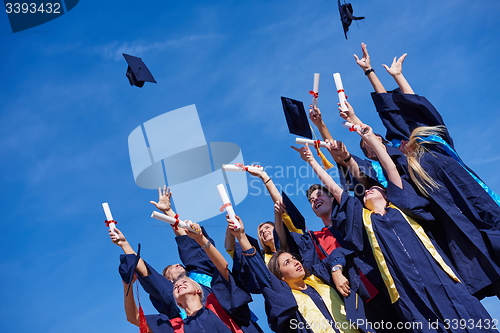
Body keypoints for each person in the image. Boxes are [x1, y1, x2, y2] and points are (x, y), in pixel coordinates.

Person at [292, 126, 498, 332]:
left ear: (386, 193)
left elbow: (390, 168)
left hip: (439, 276)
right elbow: (336, 191)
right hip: (407, 288)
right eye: (364, 193)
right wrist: (311, 161)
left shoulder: (402, 204)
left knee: (469, 320)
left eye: (375, 188)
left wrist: (370, 138)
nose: (368, 190)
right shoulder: (364, 220)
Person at [227, 215, 370, 333]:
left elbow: (338, 253)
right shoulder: (286, 299)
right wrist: (241, 236)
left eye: (294, 258)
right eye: (287, 263)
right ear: (280, 277)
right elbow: (260, 271)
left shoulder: (318, 277)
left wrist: (336, 270)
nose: (295, 262)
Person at [113, 222, 262, 333]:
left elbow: (221, 267)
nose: (180, 284)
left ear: (198, 290)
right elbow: (135, 317)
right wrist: (127, 282)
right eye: (176, 284)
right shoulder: (177, 326)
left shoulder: (218, 303)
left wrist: (200, 238)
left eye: (185, 282)